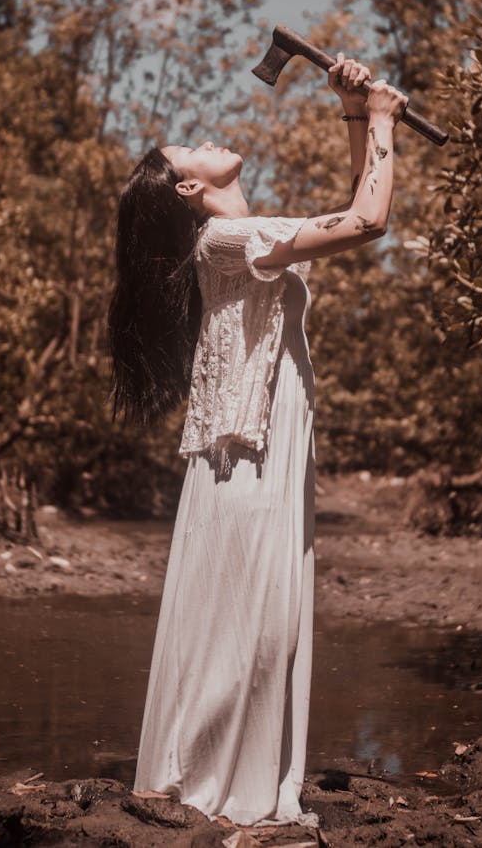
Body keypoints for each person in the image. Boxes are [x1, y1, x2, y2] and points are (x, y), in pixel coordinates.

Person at [108, 55, 408, 827]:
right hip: (249, 461)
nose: (204, 136)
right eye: (187, 148)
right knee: (254, 628)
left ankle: (206, 770)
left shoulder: (236, 239)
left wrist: (351, 110)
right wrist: (380, 117)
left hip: (249, 457)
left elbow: (352, 207)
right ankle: (216, 781)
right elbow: (369, 221)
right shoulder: (230, 240)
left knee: (250, 626)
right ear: (187, 188)